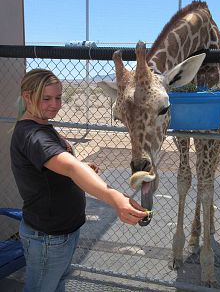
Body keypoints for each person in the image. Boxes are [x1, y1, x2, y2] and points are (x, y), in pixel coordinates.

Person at [10, 68, 148, 292]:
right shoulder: (32, 135)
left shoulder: (41, 125)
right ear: (27, 97)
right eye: (46, 98)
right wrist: (114, 197)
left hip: (61, 232)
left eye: (58, 97)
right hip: (48, 238)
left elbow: (59, 166)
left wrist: (83, 167)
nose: (55, 104)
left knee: (56, 284)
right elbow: (71, 168)